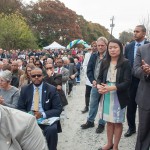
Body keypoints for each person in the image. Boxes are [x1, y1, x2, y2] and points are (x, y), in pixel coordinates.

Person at [97, 39, 132, 150]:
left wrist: (111, 88)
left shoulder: (125, 62)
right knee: (109, 121)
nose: (112, 50)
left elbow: (127, 82)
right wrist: (99, 87)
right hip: (106, 95)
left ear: (120, 48)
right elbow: (99, 78)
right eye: (110, 47)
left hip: (118, 95)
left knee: (117, 122)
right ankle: (109, 143)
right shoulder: (104, 62)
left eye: (115, 47)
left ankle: (115, 146)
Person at [18, 67, 62, 150]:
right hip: (29, 118)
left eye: (39, 75)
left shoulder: (51, 89)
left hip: (46, 118)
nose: (36, 77)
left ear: (43, 76)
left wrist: (42, 114)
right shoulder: (25, 89)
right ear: (30, 77)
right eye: (34, 76)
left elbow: (58, 109)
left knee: (51, 130)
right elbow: (20, 107)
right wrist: (28, 116)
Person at [124, 25, 149, 137]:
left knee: (145, 106)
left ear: (144, 33)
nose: (134, 33)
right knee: (131, 105)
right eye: (134, 31)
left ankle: (144, 130)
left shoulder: (148, 46)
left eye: (137, 31)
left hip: (146, 80)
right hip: (131, 81)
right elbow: (124, 62)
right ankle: (131, 128)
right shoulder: (129, 46)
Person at [81, 37, 107, 134]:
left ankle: (101, 124)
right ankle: (90, 121)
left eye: (102, 45)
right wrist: (92, 80)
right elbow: (89, 69)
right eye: (98, 45)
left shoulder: (109, 56)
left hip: (105, 85)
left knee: (103, 105)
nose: (100, 47)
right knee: (92, 103)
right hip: (95, 84)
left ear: (106, 45)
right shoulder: (93, 55)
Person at [133, 43, 150, 150]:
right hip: (146, 98)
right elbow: (135, 69)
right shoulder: (142, 49)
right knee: (143, 132)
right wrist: (145, 72)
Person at [81, 41, 97, 113]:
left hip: (97, 77)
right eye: (93, 46)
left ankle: (96, 107)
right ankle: (86, 106)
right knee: (87, 92)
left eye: (95, 46)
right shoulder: (87, 55)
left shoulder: (100, 55)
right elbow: (84, 65)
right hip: (89, 76)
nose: (94, 47)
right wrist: (87, 72)